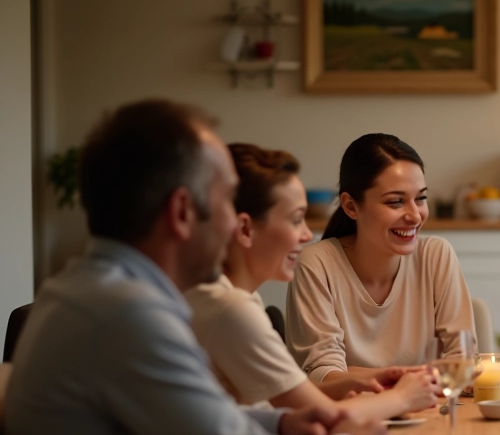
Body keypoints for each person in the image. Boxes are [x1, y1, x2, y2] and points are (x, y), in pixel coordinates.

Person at [3, 100, 392, 435]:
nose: (235, 223)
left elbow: (197, 418)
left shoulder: (86, 292)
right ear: (183, 211)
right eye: (227, 199)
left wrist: (282, 423)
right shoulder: (127, 318)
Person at [184, 142, 438, 419]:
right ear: (245, 229)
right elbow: (324, 414)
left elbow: (287, 398)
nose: (307, 235)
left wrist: (369, 379)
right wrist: (403, 398)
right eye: (296, 220)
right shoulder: (231, 309)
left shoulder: (235, 298)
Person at [286, 133, 475, 385]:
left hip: (428, 411)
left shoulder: (436, 255)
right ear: (351, 206)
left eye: (420, 198)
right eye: (396, 202)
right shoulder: (317, 264)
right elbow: (323, 374)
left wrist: (409, 383)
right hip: (349, 418)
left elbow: (462, 359)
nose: (415, 216)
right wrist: (407, 379)